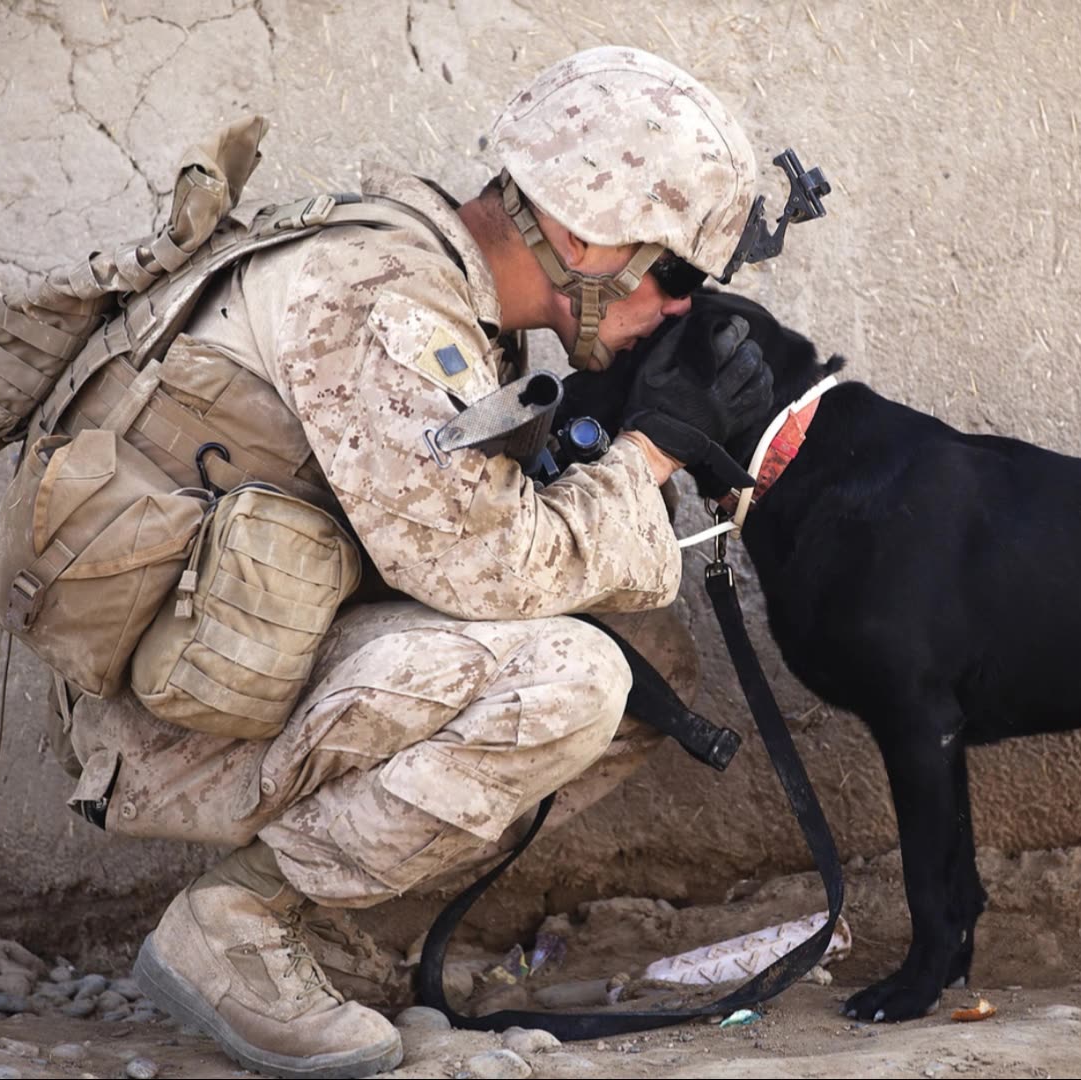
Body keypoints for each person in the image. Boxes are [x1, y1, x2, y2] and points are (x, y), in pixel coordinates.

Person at [64, 46, 782, 1078]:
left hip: (240, 654)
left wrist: (613, 431)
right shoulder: (384, 305)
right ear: (579, 235)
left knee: (647, 668)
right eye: (670, 276)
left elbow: (459, 529)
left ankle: (315, 917)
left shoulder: (438, 288)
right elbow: (485, 568)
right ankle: (240, 924)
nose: (677, 308)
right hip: (166, 717)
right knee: (579, 680)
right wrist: (650, 450)